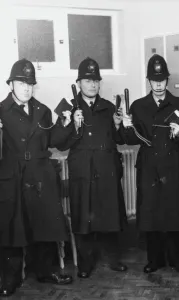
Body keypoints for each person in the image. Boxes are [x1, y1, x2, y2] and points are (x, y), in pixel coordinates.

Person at [0, 59, 73, 297]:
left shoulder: (42, 110)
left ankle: (45, 271)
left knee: (44, 225)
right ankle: (9, 278)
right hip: (15, 176)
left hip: (40, 174)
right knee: (13, 228)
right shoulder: (2, 111)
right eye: (22, 83)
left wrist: (66, 124)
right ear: (11, 84)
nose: (26, 88)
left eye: (30, 83)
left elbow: (54, 140)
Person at [51, 57, 128, 279]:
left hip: (106, 171)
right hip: (82, 172)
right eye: (87, 80)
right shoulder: (69, 107)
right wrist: (74, 124)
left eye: (96, 80)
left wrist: (116, 124)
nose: (92, 85)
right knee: (83, 217)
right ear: (79, 82)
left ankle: (114, 259)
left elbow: (120, 139)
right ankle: (85, 263)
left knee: (110, 215)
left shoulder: (109, 107)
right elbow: (58, 141)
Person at [121, 54, 179, 273]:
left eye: (162, 79)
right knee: (151, 214)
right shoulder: (139, 105)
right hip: (149, 167)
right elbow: (131, 139)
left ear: (167, 80)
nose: (159, 83)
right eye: (154, 79)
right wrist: (126, 126)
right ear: (149, 81)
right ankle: (154, 260)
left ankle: (176, 259)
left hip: (172, 164)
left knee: (174, 213)